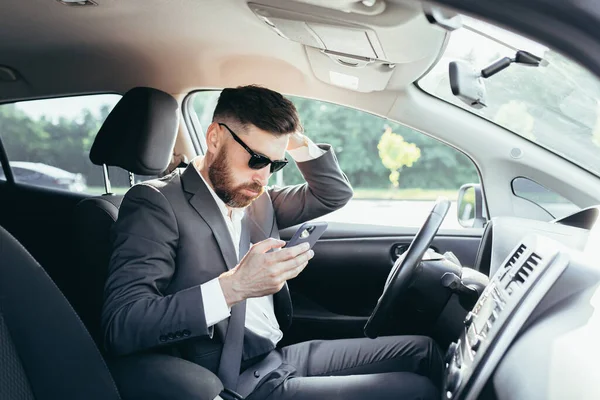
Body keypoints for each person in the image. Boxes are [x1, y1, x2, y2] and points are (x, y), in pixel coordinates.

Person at [102, 85, 442, 399]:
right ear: (215, 138)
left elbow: (333, 194)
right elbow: (123, 323)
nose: (263, 177)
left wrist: (294, 143)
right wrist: (234, 287)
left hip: (276, 355)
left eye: (275, 164)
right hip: (232, 379)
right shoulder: (155, 203)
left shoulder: (255, 197)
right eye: (256, 159)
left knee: (425, 353)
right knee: (416, 391)